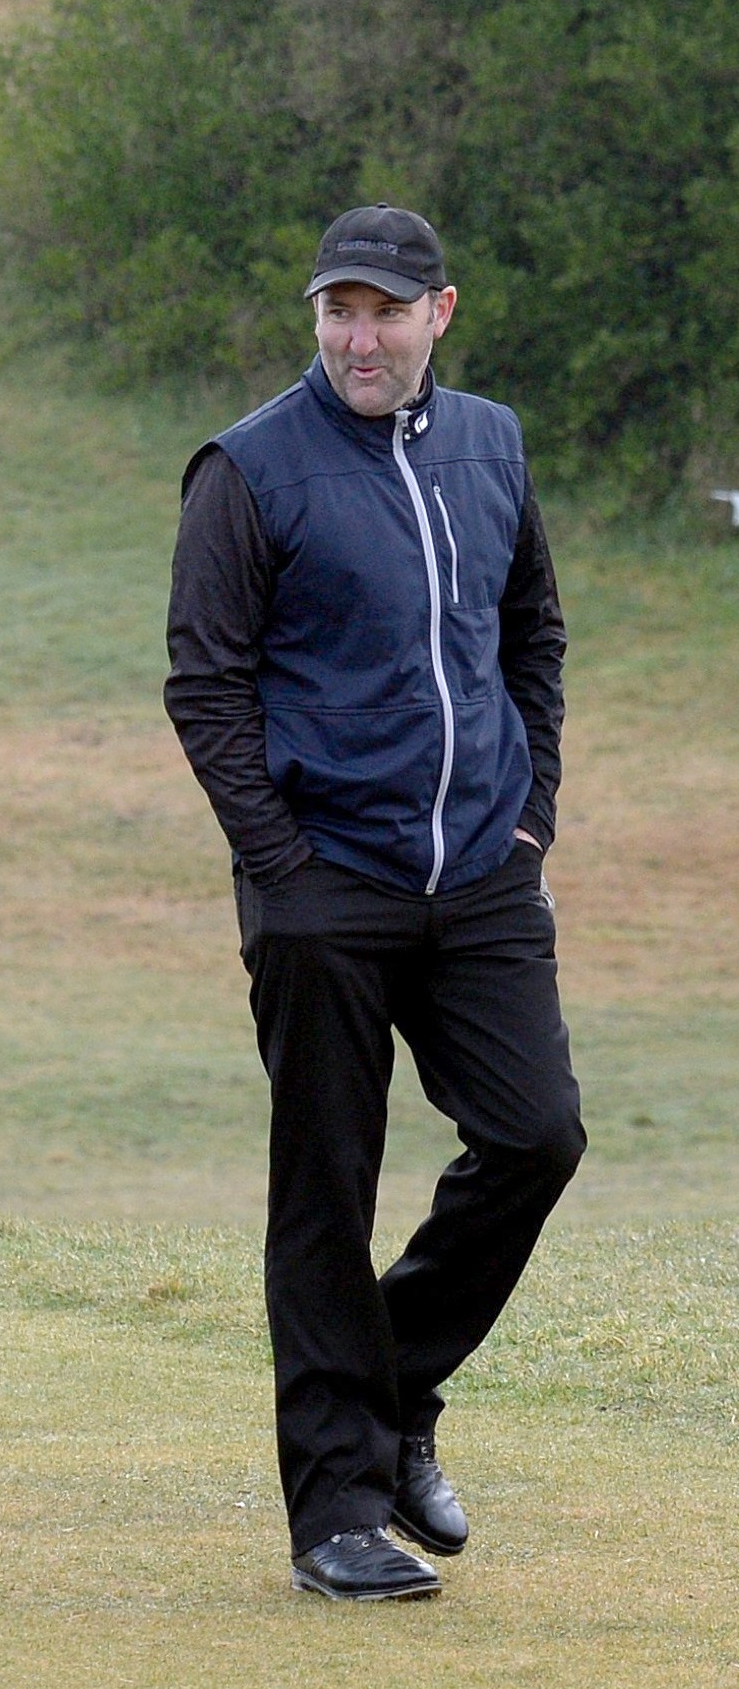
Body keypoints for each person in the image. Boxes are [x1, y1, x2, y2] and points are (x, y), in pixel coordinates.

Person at [164, 204, 586, 1602]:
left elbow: (531, 629)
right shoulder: (251, 468)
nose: (359, 336)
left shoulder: (491, 445)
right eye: (337, 310)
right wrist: (280, 871)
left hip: (480, 877)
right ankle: (335, 1514)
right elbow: (206, 684)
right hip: (323, 889)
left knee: (536, 1136)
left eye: (385, 312)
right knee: (325, 1192)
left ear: (439, 315)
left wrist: (531, 816)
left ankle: (391, 1392)